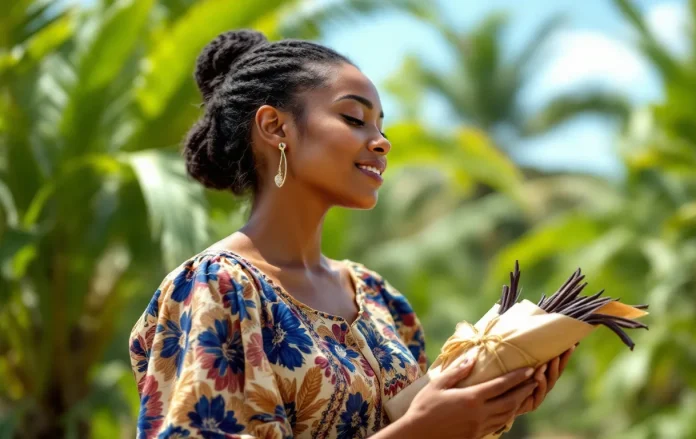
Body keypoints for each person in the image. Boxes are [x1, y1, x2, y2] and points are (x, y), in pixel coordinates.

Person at [128, 29, 574, 439]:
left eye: (381, 125)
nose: (381, 142)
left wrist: (487, 406)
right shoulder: (219, 287)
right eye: (354, 118)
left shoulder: (381, 299)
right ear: (274, 127)